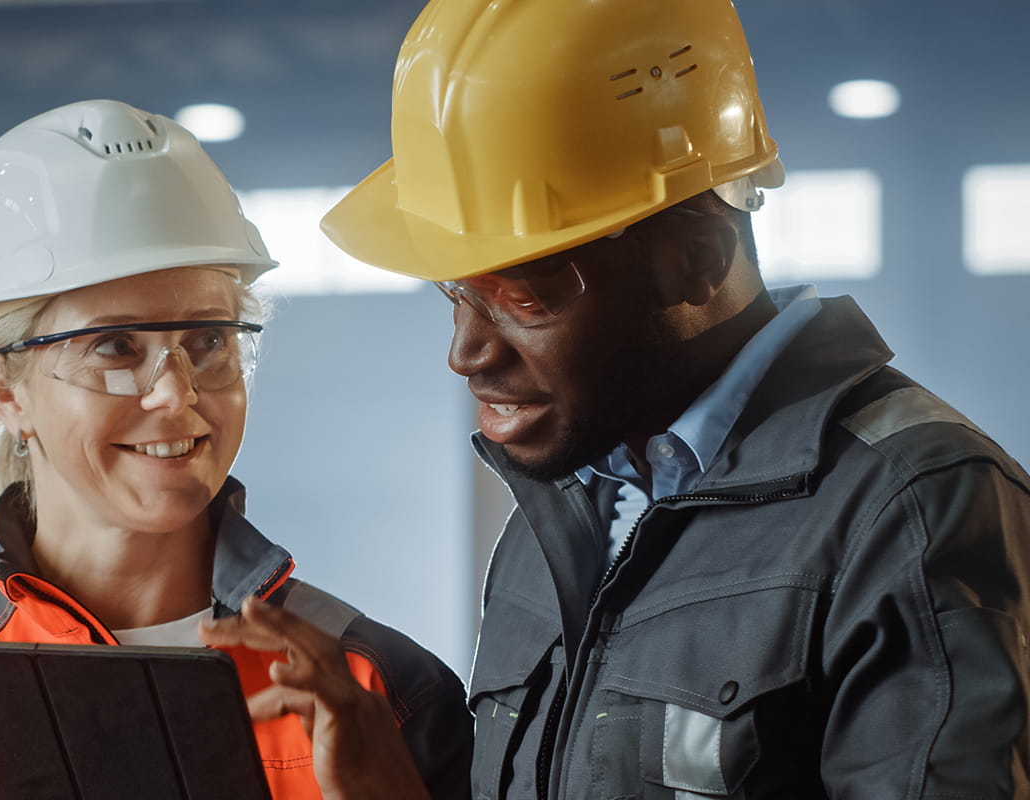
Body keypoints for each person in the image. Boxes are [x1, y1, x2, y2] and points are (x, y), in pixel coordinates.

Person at [301, 0, 1030, 796]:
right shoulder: (560, 515)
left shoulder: (912, 513)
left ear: (696, 260)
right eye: (456, 291)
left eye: (523, 298)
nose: (465, 353)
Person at [0, 99, 472, 799]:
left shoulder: (375, 694)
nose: (177, 393)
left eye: (208, 340)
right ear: (6, 389)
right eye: (114, 346)